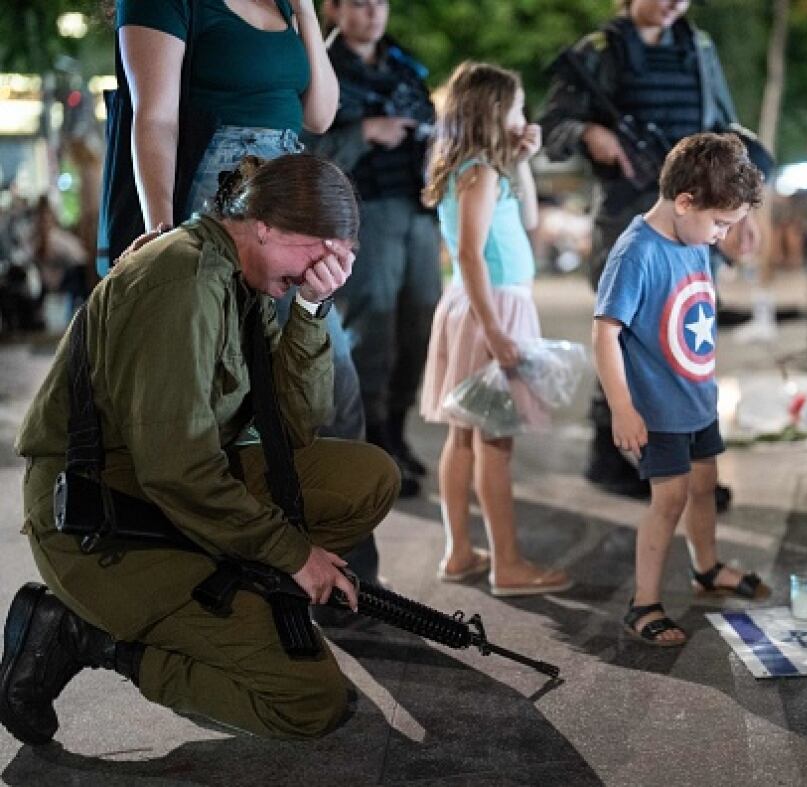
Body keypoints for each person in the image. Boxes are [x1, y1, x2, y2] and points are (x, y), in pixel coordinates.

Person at [0, 154, 400, 744]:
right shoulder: (183, 279)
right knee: (310, 702)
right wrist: (291, 553)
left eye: (336, 262)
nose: (325, 270)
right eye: (319, 253)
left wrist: (312, 309)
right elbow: (178, 469)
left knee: (368, 477)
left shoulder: (244, 279)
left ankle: (232, 593)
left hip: (167, 495)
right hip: (102, 519)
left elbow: (296, 426)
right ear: (265, 224)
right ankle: (94, 637)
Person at [114, 0, 365, 443]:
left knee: (325, 370)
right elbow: (153, 118)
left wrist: (305, 11)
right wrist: (162, 232)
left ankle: (304, 498)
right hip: (223, 202)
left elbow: (320, 116)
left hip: (291, 199)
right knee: (233, 371)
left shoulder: (285, 4)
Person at [540, 0, 746, 505]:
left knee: (683, 334)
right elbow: (551, 128)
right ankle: (613, 454)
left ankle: (682, 460)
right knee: (625, 332)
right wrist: (589, 133)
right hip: (629, 215)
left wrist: (742, 212)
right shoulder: (599, 51)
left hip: (696, 220)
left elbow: (727, 126)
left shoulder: (698, 49)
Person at [593, 133, 768, 646]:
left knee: (704, 486)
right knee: (668, 500)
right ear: (685, 202)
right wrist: (622, 408)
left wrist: (734, 226)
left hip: (697, 399)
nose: (721, 236)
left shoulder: (694, 240)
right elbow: (605, 334)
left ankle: (706, 567)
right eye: (719, 223)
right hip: (658, 409)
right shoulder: (636, 252)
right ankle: (643, 602)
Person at [419, 62, 572, 597]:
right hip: (493, 310)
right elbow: (470, 253)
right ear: (492, 112)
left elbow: (528, 220)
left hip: (476, 306)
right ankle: (508, 563)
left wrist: (524, 161)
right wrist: (498, 333)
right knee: (495, 442)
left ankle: (460, 551)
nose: (523, 117)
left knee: (464, 435)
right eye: (517, 107)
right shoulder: (481, 172)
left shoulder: (480, 167)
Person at [304, 0, 442, 497]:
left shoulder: (403, 64)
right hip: (364, 214)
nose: (372, 12)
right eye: (359, 4)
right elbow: (305, 147)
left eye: (379, 2)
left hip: (417, 207)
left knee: (420, 322)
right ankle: (372, 444)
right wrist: (363, 132)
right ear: (335, 10)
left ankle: (396, 435)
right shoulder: (319, 63)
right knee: (374, 327)